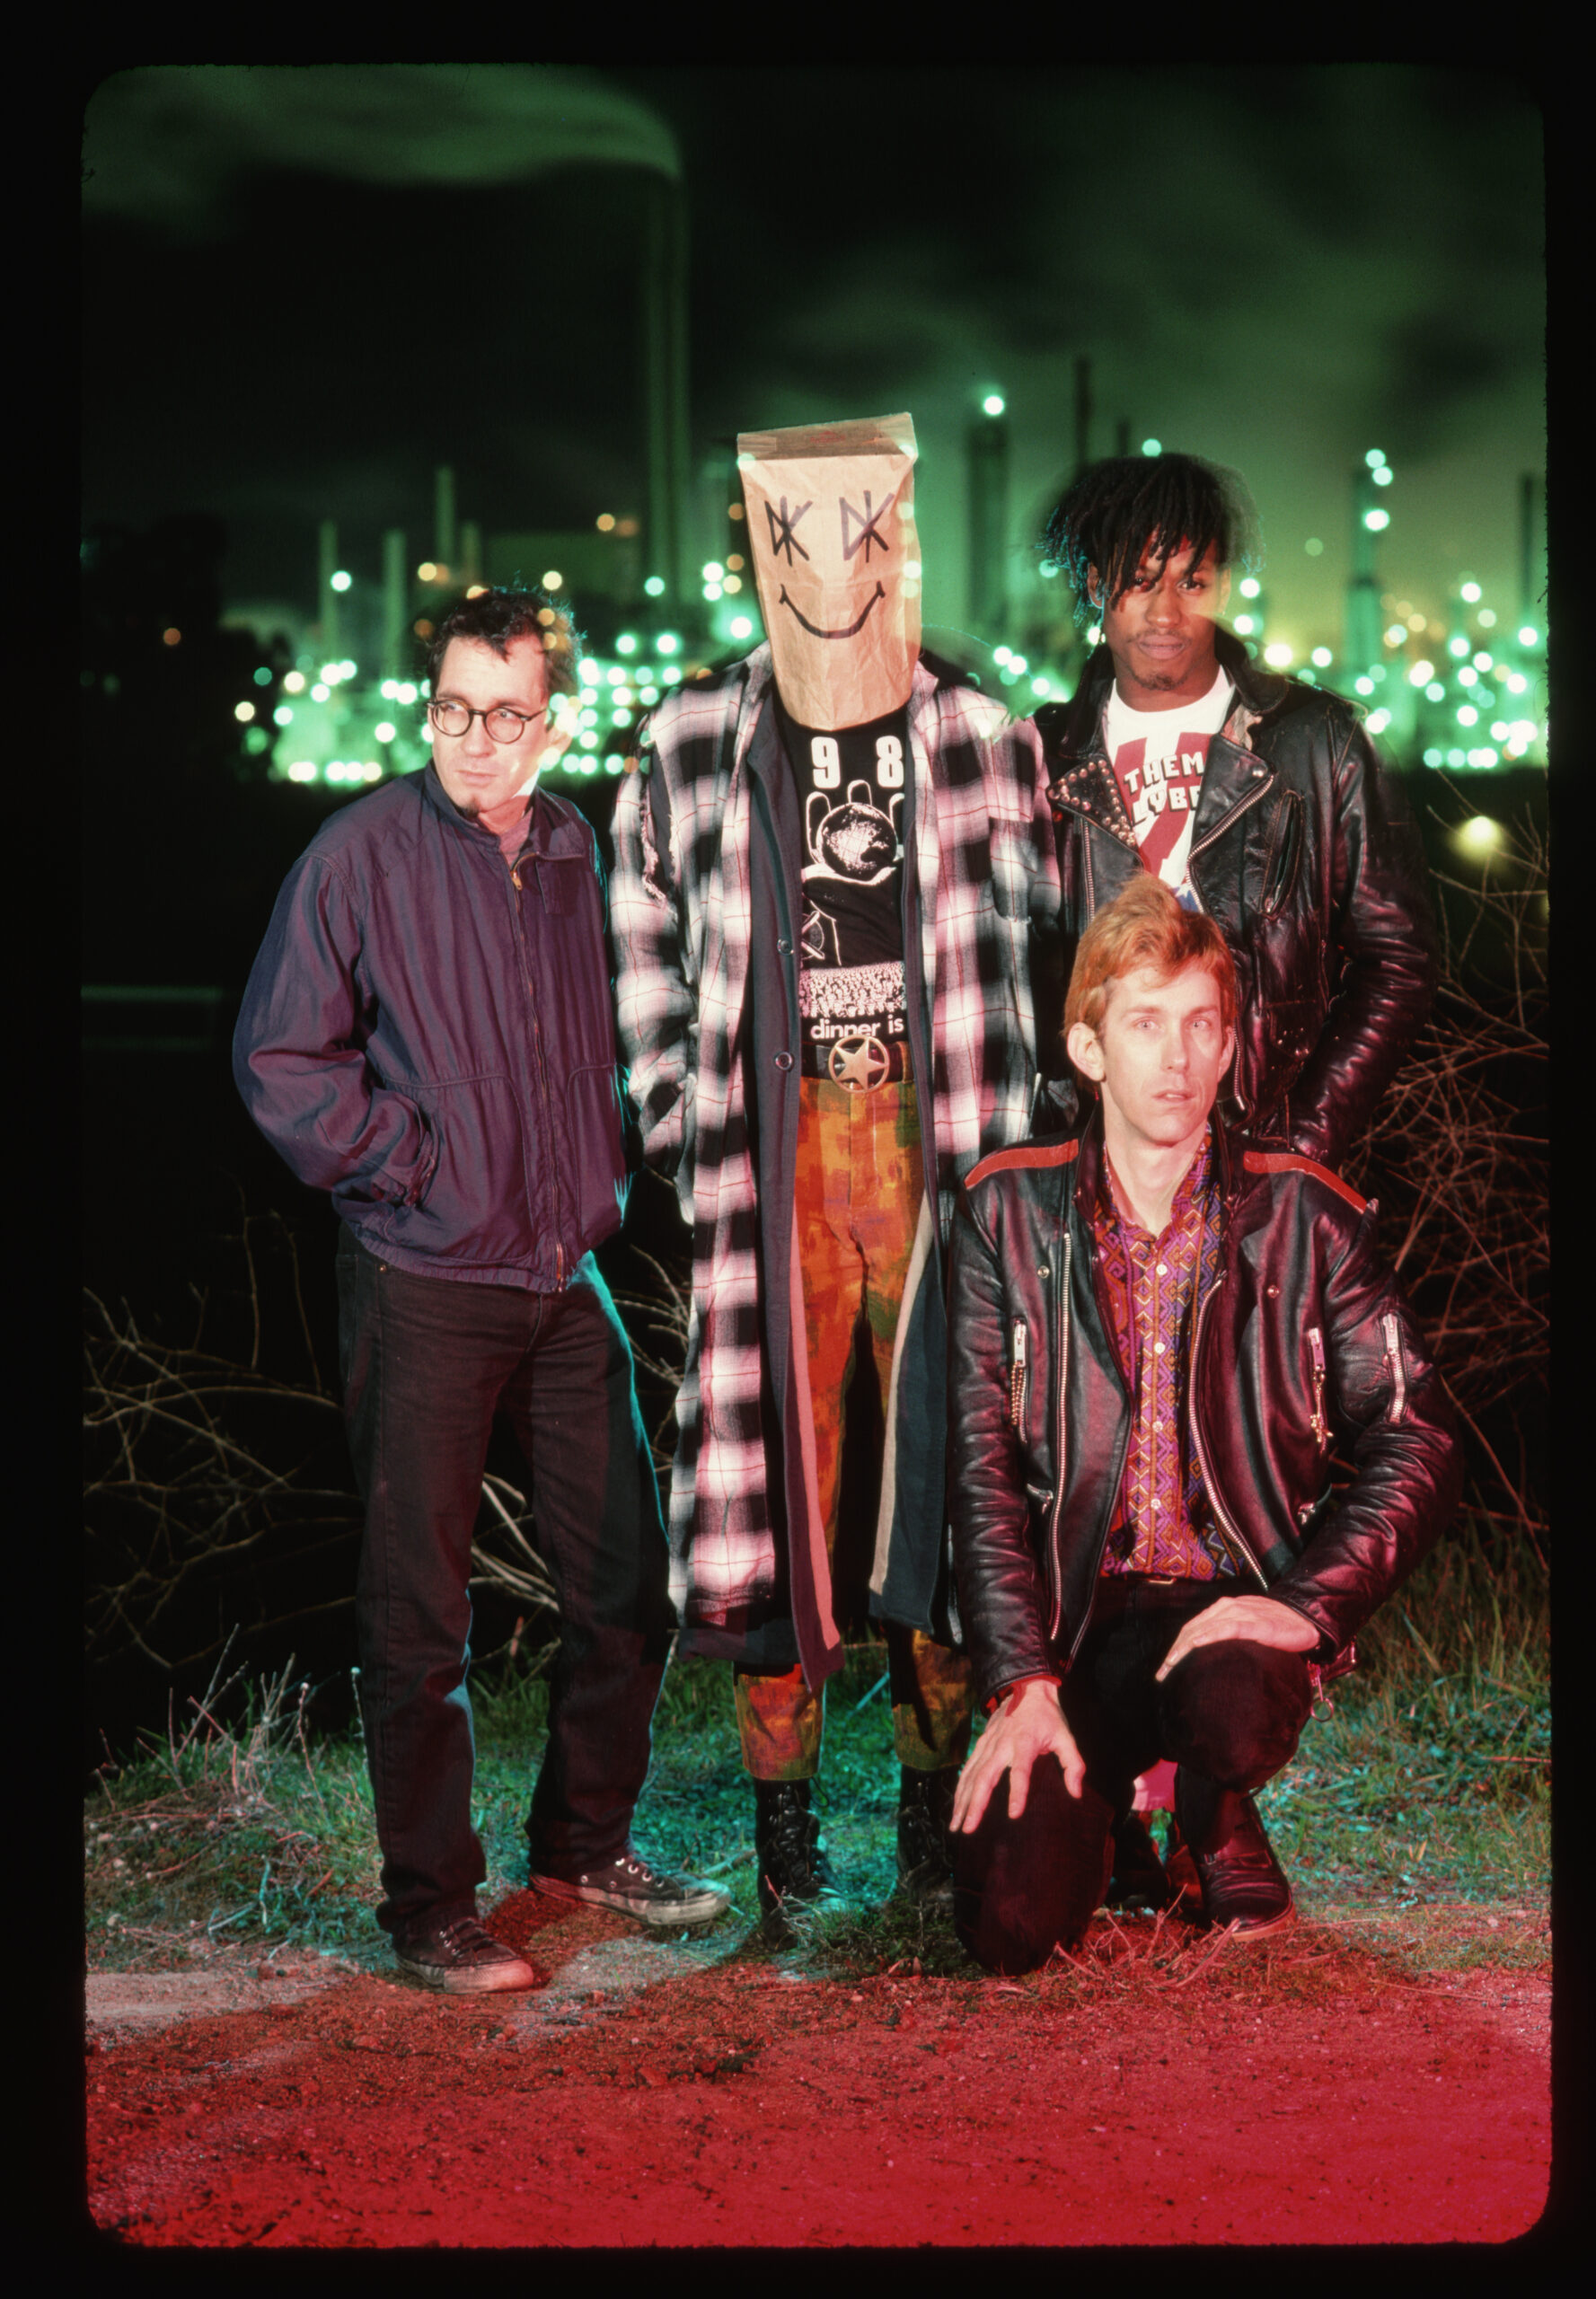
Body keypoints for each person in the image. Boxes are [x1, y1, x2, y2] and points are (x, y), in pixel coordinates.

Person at [234, 587, 728, 1994]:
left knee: (627, 1579)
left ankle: (583, 1845)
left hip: (562, 1269)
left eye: (508, 716)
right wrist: (409, 1162)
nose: (476, 742)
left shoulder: (584, 852)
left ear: (553, 721)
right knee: (418, 1611)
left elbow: (653, 1014)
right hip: (423, 1273)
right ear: (430, 707)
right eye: (453, 710)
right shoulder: (362, 854)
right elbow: (282, 1060)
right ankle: (431, 1908)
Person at [611, 414, 1061, 1922]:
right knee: (777, 1494)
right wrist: (690, 1129)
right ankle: (787, 1839)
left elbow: (1049, 946)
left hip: (940, 1165)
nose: (829, 576)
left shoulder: (983, 734)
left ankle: (938, 1823)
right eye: (794, 544)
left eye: (858, 541)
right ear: (757, 554)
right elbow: (643, 953)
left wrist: (1030, 1160)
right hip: (778, 1165)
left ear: (901, 546)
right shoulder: (690, 738)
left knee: (941, 1479)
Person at [945, 876, 1460, 1971]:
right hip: (1074, 1623)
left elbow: (1419, 1432)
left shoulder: (1302, 1214)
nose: (1174, 1059)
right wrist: (1018, 1684)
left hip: (1228, 1606)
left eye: (1199, 1026)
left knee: (1226, 1704)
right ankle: (1130, 1814)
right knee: (1007, 1924)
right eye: (1144, 1023)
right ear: (1087, 1048)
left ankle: (1208, 1799)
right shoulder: (1003, 1210)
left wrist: (1304, 1609)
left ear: (1231, 1048)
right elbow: (981, 1471)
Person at [1033, 450, 1436, 1173]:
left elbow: (1397, 960)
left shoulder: (1316, 744)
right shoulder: (1042, 759)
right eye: (1137, 581)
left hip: (1263, 1162)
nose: (1165, 612)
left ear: (1222, 585)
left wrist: (1297, 1151)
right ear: (1096, 584)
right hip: (1099, 1175)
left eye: (1192, 581)